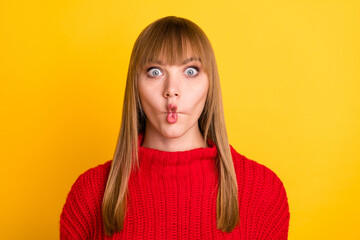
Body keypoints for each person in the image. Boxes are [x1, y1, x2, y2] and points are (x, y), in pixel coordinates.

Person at [60, 16, 290, 239]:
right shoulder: (89, 194)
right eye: (155, 72)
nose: (172, 89)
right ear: (135, 86)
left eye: (190, 71)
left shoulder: (263, 192)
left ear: (210, 85)